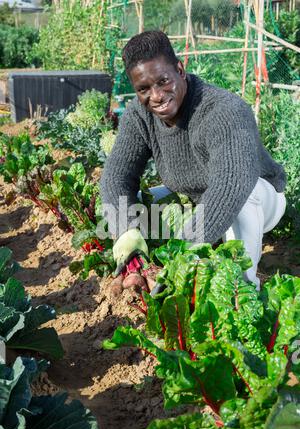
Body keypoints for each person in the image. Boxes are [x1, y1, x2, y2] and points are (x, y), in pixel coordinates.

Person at [100, 30, 286, 293]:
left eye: (163, 81)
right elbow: (116, 176)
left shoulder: (223, 111)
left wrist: (184, 254)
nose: (156, 95)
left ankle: (242, 291)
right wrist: (125, 230)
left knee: (245, 195)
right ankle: (145, 272)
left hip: (260, 199)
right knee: (132, 204)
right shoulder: (139, 116)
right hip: (194, 200)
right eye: (143, 89)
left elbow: (230, 185)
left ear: (179, 69)